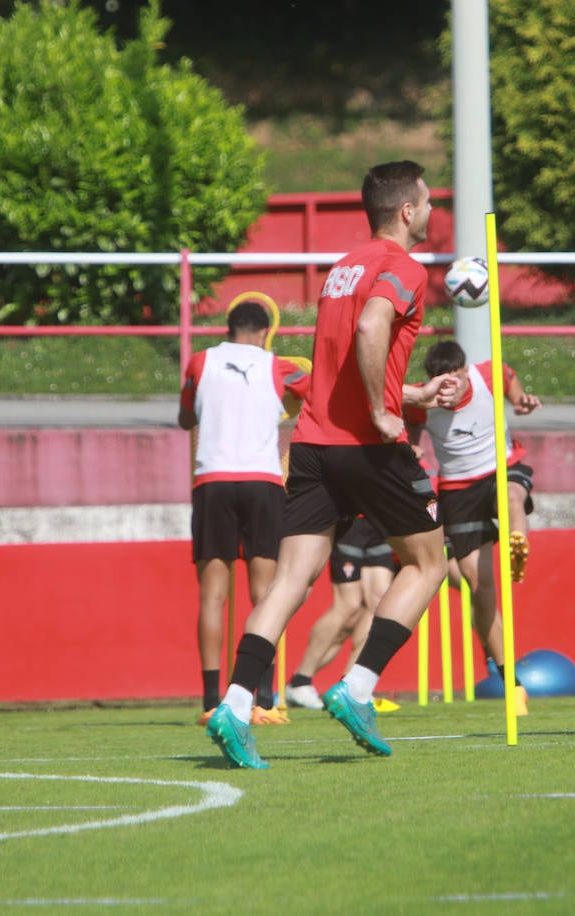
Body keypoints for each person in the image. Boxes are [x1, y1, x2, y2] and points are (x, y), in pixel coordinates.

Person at [203, 160, 455, 767]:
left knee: (292, 580)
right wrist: (382, 412)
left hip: (314, 444)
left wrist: (405, 396)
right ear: (406, 211)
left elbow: (343, 353)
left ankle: (235, 704)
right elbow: (372, 328)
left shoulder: (343, 269)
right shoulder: (403, 269)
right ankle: (359, 686)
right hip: (366, 448)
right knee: (428, 563)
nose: (430, 214)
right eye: (426, 204)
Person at [177, 299, 309, 727]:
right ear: (264, 331)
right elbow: (315, 395)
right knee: (266, 594)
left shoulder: (200, 361)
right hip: (262, 482)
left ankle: (212, 700)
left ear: (229, 328)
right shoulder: (279, 367)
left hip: (212, 480)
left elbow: (184, 417)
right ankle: (264, 700)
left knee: (212, 595)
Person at [404, 339, 541, 680]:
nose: (446, 387)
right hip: (458, 488)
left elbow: (509, 377)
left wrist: (520, 401)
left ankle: (517, 543)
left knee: (510, 497)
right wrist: (411, 450)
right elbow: (411, 434)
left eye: (452, 377)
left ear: (464, 371)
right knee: (479, 587)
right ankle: (506, 672)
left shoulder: (486, 375)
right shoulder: (421, 400)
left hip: (501, 465)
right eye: (439, 379)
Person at [283, 515, 398, 710]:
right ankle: (300, 682)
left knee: (379, 604)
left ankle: (352, 685)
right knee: (348, 605)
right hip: (352, 521)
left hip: (380, 521)